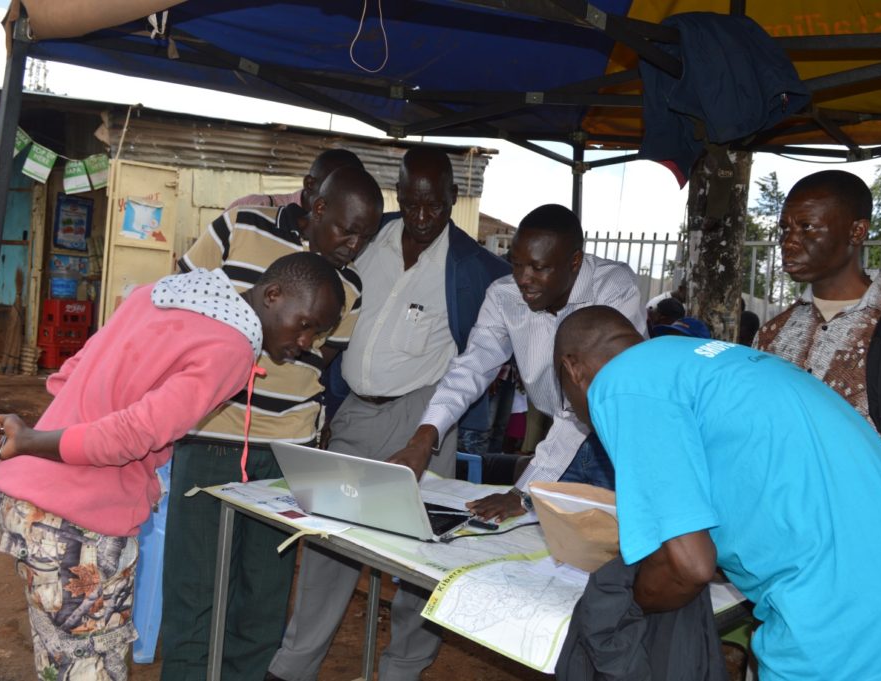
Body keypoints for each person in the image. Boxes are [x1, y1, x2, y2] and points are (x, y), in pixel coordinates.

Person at [554, 306, 881, 681]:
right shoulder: (709, 362)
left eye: (571, 406)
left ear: (573, 369)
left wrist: (623, 607)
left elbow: (689, 567)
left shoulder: (620, 384)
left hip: (845, 638)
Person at [0, 253, 344, 681]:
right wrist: (31, 441)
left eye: (318, 334)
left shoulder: (159, 296)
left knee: (60, 666)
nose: (307, 342)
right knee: (88, 670)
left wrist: (34, 444)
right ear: (272, 294)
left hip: (27, 505)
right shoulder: (231, 347)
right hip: (78, 526)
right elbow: (134, 434)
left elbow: (71, 375)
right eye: (305, 324)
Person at [264, 147, 509, 681]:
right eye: (413, 203)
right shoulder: (367, 234)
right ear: (399, 193)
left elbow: (482, 355)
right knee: (329, 535)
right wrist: (324, 404)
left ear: (452, 199)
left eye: (436, 205)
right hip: (354, 407)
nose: (423, 217)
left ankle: (402, 667)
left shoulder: (475, 269)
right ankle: (294, 665)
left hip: (422, 416)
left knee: (421, 555)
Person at [160, 166, 383, 681]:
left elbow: (319, 364)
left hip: (284, 454)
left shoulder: (349, 286)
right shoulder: (243, 226)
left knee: (263, 598)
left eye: (366, 236)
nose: (354, 244)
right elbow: (177, 301)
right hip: (210, 436)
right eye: (348, 229)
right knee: (194, 590)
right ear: (318, 207)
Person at [390, 203, 646, 522]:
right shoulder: (504, 295)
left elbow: (592, 398)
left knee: (618, 550)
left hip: (619, 446)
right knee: (553, 552)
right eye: (516, 264)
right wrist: (423, 439)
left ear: (574, 262)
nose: (523, 279)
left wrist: (523, 494)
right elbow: (470, 368)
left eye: (538, 268)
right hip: (558, 443)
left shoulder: (612, 289)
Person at [754, 169, 881, 508]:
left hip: (863, 538)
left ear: (857, 232)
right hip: (775, 534)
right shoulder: (774, 332)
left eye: (807, 227)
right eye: (785, 228)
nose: (788, 241)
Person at [227, 148, 364, 211]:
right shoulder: (251, 208)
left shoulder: (341, 240)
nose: (342, 200)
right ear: (309, 184)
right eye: (335, 188)